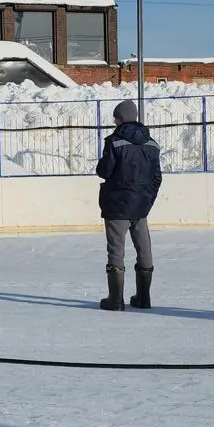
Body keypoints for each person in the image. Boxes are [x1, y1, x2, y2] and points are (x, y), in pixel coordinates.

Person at [95, 99, 162, 311]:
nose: (114, 121)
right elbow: (157, 178)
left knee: (116, 250)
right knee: (144, 248)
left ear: (121, 118)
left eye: (115, 117)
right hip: (141, 206)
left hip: (117, 205)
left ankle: (115, 300)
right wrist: (147, 199)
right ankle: (144, 298)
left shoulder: (114, 142)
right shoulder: (152, 144)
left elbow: (104, 171)